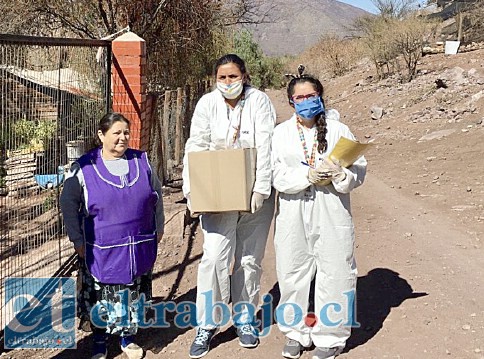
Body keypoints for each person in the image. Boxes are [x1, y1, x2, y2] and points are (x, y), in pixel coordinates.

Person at [182, 54, 277, 358]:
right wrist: (192, 191)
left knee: (249, 258)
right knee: (214, 258)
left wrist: (261, 187)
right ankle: (207, 325)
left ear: (245, 76)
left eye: (233, 77)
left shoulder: (259, 101)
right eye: (222, 77)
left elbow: (265, 144)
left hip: (254, 195)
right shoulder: (207, 103)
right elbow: (195, 146)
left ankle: (245, 318)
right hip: (217, 194)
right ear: (215, 79)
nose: (227, 83)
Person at [271, 70, 367, 359]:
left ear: (320, 97)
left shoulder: (339, 130)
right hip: (293, 211)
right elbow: (276, 174)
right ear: (291, 102)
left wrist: (340, 174)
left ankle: (331, 336)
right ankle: (295, 332)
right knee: (292, 272)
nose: (306, 101)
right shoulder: (281, 133)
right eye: (299, 97)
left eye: (311, 96)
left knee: (335, 270)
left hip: (331, 210)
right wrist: (307, 175)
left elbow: (359, 169)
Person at [60, 112, 164, 359]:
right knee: (100, 297)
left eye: (126, 132)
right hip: (101, 249)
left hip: (138, 246)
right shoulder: (84, 167)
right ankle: (99, 341)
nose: (122, 138)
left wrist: (158, 228)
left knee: (133, 294)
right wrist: (77, 239)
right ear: (101, 135)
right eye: (116, 133)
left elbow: (156, 196)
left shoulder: (141, 162)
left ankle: (127, 339)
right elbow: (68, 202)